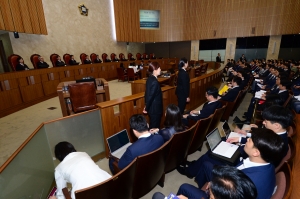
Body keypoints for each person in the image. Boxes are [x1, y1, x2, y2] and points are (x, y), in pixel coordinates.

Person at [190, 128, 284, 199]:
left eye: (250, 140)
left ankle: (205, 193)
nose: (247, 140)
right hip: (231, 180)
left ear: (256, 152)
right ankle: (201, 188)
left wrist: (214, 186)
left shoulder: (248, 182)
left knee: (185, 187)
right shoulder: (268, 163)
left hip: (225, 192)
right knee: (206, 163)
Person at [143, 62, 163, 128]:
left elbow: (147, 94)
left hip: (152, 108)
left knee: (153, 126)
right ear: (155, 70)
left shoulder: (150, 78)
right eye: (159, 68)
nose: (160, 69)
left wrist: (146, 105)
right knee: (154, 128)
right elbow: (150, 96)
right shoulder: (154, 81)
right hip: (155, 109)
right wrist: (146, 108)